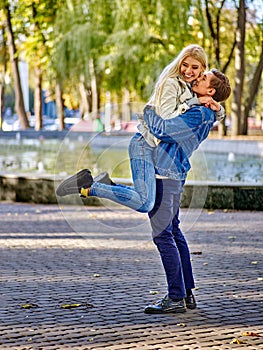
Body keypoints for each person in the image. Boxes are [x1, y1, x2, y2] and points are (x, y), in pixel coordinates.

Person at [56, 69, 231, 314]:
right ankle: (186, 293)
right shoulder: (206, 111)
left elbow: (163, 131)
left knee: (163, 236)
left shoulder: (198, 113)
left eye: (203, 79)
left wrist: (148, 110)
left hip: (165, 174)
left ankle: (175, 297)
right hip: (174, 173)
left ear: (210, 91)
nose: (197, 78)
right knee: (174, 232)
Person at [56, 45, 224, 212]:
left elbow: (208, 105)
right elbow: (166, 121)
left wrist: (218, 109)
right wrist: (193, 103)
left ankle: (104, 184)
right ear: (179, 63)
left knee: (144, 197)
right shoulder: (172, 83)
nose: (188, 70)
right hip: (143, 144)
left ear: (203, 69)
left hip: (156, 149)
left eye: (195, 67)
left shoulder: (190, 87)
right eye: (185, 65)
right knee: (145, 203)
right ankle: (89, 187)